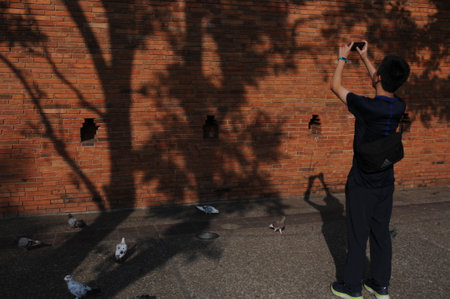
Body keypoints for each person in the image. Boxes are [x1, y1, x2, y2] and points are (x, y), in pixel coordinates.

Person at [329, 41, 410, 299]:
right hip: (385, 180)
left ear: (378, 77)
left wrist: (343, 58)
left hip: (362, 182)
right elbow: (382, 83)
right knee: (381, 233)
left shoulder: (367, 107)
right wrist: (364, 57)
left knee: (356, 234)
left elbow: (335, 87)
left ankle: (352, 288)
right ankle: (380, 284)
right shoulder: (399, 105)